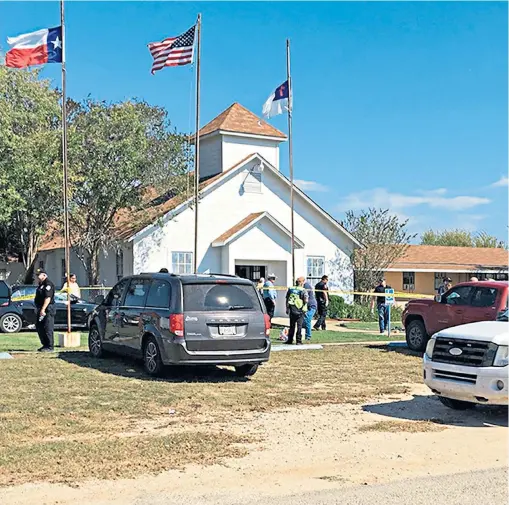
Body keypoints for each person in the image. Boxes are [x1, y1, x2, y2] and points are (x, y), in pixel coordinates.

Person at [34, 268, 56, 352]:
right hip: (41, 308)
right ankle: (45, 345)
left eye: (39, 275)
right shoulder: (41, 284)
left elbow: (48, 298)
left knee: (47, 327)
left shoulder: (48, 284)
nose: (37, 276)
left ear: (44, 275)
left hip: (48, 309)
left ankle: (50, 346)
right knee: (40, 327)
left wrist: (43, 309)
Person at [285, 277, 309, 345]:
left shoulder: (291, 289)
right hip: (300, 310)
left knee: (292, 326)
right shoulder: (303, 290)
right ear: (301, 282)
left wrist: (287, 308)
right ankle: (298, 341)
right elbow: (306, 300)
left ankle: (290, 340)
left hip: (292, 309)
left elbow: (287, 299)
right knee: (299, 326)